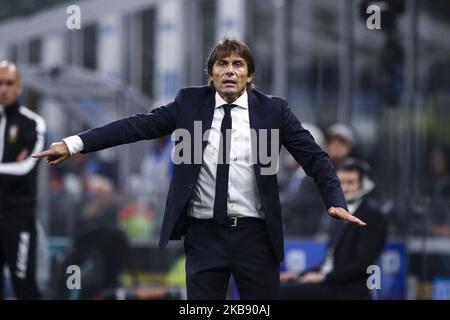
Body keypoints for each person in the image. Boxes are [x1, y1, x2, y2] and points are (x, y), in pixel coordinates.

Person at [33, 37, 365, 300]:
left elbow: (315, 157)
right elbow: (133, 127)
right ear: (211, 75)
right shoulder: (189, 104)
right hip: (205, 236)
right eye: (222, 64)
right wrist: (74, 144)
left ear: (250, 76)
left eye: (238, 64)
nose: (230, 70)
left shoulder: (274, 111)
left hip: (256, 236)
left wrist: (333, 198)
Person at [279, 158, 387, 300]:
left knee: (281, 294)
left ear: (365, 184)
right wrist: (300, 275)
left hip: (347, 290)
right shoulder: (341, 211)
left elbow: (361, 265)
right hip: (331, 283)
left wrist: (323, 277)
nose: (345, 188)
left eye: (351, 183)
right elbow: (329, 263)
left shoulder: (371, 215)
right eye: (341, 182)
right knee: (280, 287)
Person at [0, 61, 46, 299]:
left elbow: (27, 167)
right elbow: (16, 167)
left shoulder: (32, 123)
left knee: (24, 286)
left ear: (19, 87)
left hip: (18, 220)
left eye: (9, 83)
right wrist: (11, 166)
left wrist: (15, 166)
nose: (3, 89)